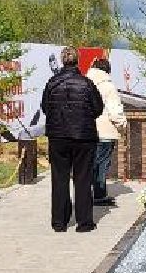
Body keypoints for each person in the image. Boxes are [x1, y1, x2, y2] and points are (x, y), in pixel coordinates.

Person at [40, 45, 103, 232]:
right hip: (83, 136)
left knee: (59, 179)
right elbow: (98, 108)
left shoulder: (52, 83)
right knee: (83, 179)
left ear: (62, 61)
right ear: (77, 60)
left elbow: (45, 107)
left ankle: (59, 222)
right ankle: (84, 222)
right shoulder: (86, 83)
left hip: (58, 136)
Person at [87, 56, 126, 206]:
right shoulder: (108, 85)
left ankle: (86, 193)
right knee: (102, 164)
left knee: (90, 163)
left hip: (87, 131)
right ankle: (99, 195)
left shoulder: (86, 82)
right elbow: (115, 110)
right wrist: (122, 125)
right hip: (105, 131)